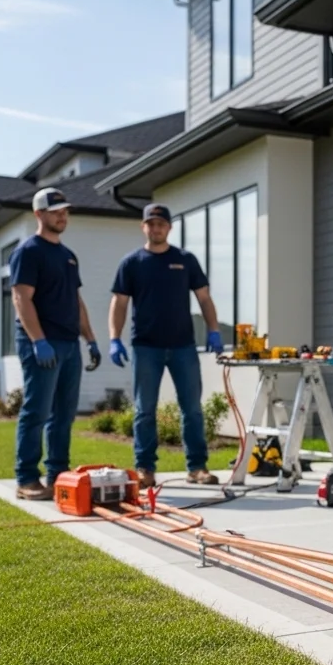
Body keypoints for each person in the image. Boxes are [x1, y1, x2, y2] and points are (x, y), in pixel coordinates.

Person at [108, 204, 223, 489]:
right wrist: (114, 338)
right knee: (144, 410)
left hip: (183, 346)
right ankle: (145, 468)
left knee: (192, 409)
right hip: (145, 347)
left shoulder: (185, 260)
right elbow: (119, 303)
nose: (156, 228)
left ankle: (197, 468)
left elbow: (204, 297)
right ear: (143, 227)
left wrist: (214, 330)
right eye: (151, 224)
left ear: (169, 228)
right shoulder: (132, 263)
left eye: (161, 224)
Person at [9, 188, 102, 500]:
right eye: (55, 211)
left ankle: (58, 475)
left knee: (64, 414)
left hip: (69, 344)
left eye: (65, 211)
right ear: (39, 214)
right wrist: (39, 340)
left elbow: (76, 300)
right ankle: (26, 479)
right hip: (42, 344)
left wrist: (90, 339)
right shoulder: (28, 252)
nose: (62, 216)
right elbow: (21, 298)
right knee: (37, 411)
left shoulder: (68, 256)